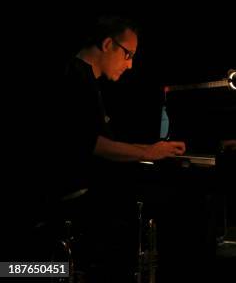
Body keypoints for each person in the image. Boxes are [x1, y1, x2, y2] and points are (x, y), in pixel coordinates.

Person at [53, 15, 186, 280]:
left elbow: (96, 138)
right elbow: (91, 144)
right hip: (69, 197)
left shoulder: (85, 77)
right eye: (128, 54)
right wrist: (148, 153)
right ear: (106, 44)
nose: (130, 64)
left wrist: (153, 147)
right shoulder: (75, 78)